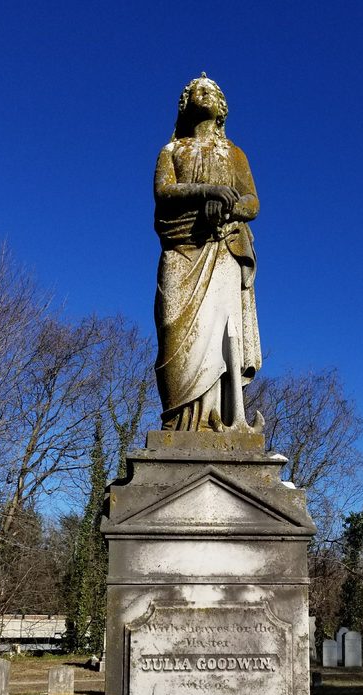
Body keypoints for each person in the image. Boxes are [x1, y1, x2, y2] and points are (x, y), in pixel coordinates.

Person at [153, 74, 262, 432]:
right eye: (196, 90)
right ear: (185, 103)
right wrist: (207, 192)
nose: (203, 93)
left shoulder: (234, 153)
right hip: (181, 247)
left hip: (222, 246)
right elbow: (164, 191)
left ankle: (218, 416)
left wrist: (227, 208)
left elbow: (252, 201)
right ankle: (177, 422)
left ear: (221, 107)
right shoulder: (171, 151)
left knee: (220, 333)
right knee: (173, 328)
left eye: (211, 91)